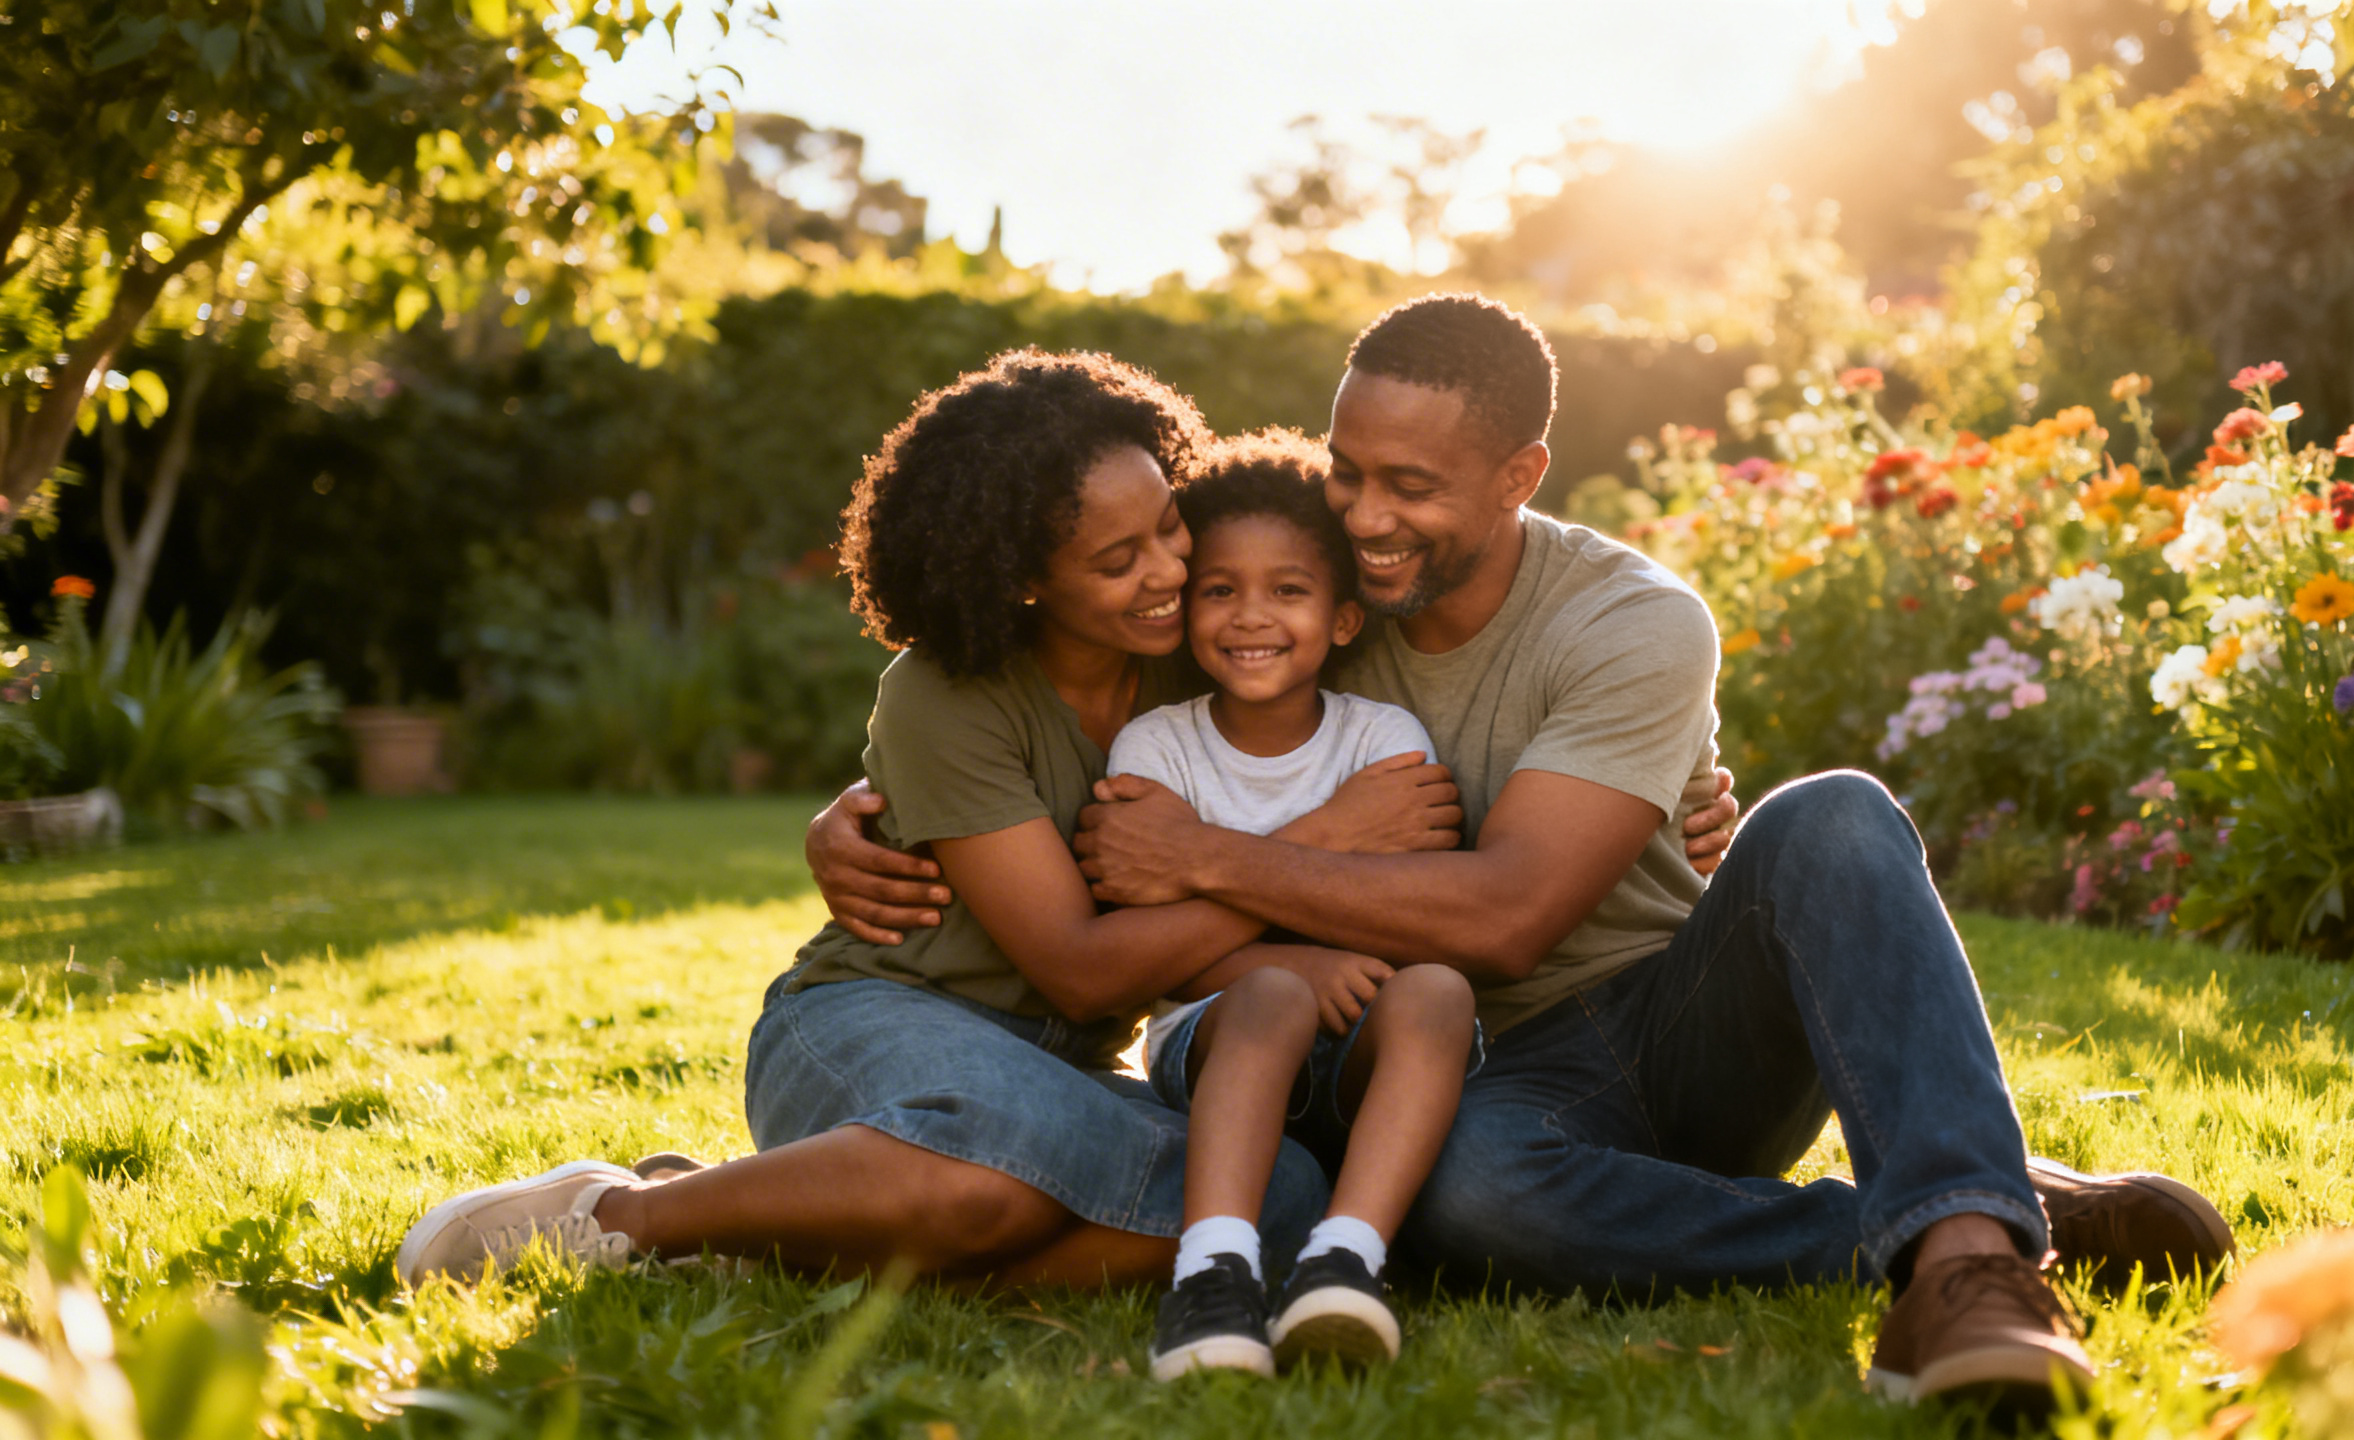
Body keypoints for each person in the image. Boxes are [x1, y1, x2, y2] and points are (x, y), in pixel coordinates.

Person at [812, 295, 2236, 1416]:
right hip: (1467, 1084)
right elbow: (1068, 684)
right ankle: (1964, 1207)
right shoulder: (1296, 607)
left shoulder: (1628, 620)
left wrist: (1207, 855)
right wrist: (854, 813)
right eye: (1347, 473)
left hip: (1669, 1023)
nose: (1366, 517)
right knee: (1467, 1202)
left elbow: (1505, 917)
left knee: (1836, 813)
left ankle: (1975, 1277)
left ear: (1521, 474)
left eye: (1412, 488)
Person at [396, 350, 1462, 1292]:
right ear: (1024, 579)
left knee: (1273, 1198)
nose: (1171, 573)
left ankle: (799, 1238)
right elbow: (1083, 973)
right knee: (991, 1176)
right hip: (878, 1019)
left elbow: (1294, 557)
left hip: (1066, 1066)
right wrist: (1318, 843)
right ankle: (622, 1215)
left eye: (1169, 525)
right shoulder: (945, 693)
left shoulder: (1204, 645)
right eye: (1116, 560)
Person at [1110, 431, 1479, 1379]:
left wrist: (1213, 872)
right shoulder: (1158, 749)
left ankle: (1344, 1262)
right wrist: (1300, 958)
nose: (1250, 616)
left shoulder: (1383, 739)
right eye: (1220, 589)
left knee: (1436, 988)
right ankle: (1213, 1276)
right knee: (1273, 993)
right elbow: (1142, 947)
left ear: (1345, 620)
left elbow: (1406, 915)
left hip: (1360, 1040)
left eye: (1289, 590)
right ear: (1187, 608)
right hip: (1212, 1037)